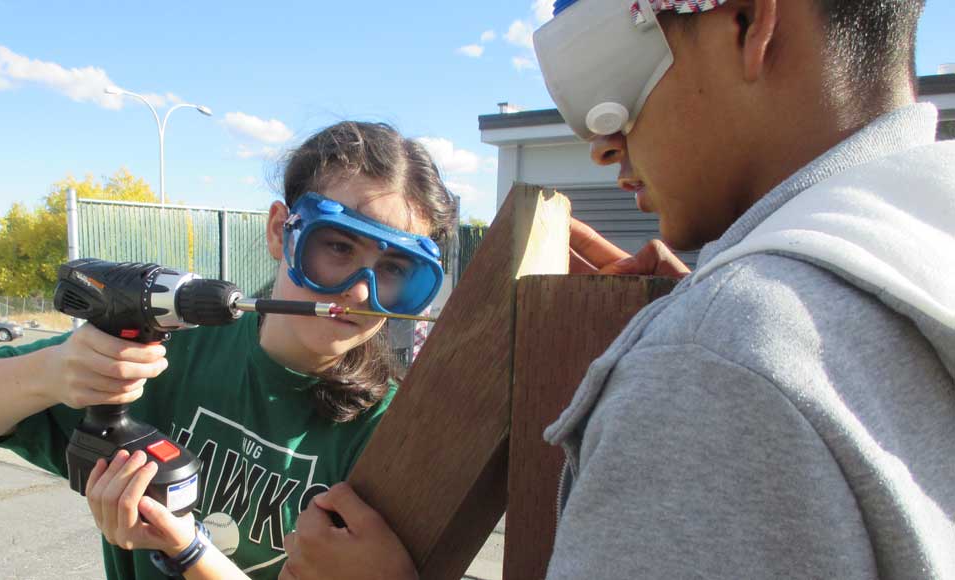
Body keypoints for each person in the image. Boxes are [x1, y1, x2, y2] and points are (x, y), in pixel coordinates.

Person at [282, 0, 954, 578]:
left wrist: (714, 340)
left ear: (751, 23)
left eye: (603, 74)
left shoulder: (716, 359)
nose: (602, 145)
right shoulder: (919, 262)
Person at [0, 120, 459, 579]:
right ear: (282, 232)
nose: (361, 291)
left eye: (393, 270)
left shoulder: (388, 431)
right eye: (338, 247)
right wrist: (56, 370)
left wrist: (184, 548)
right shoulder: (171, 345)